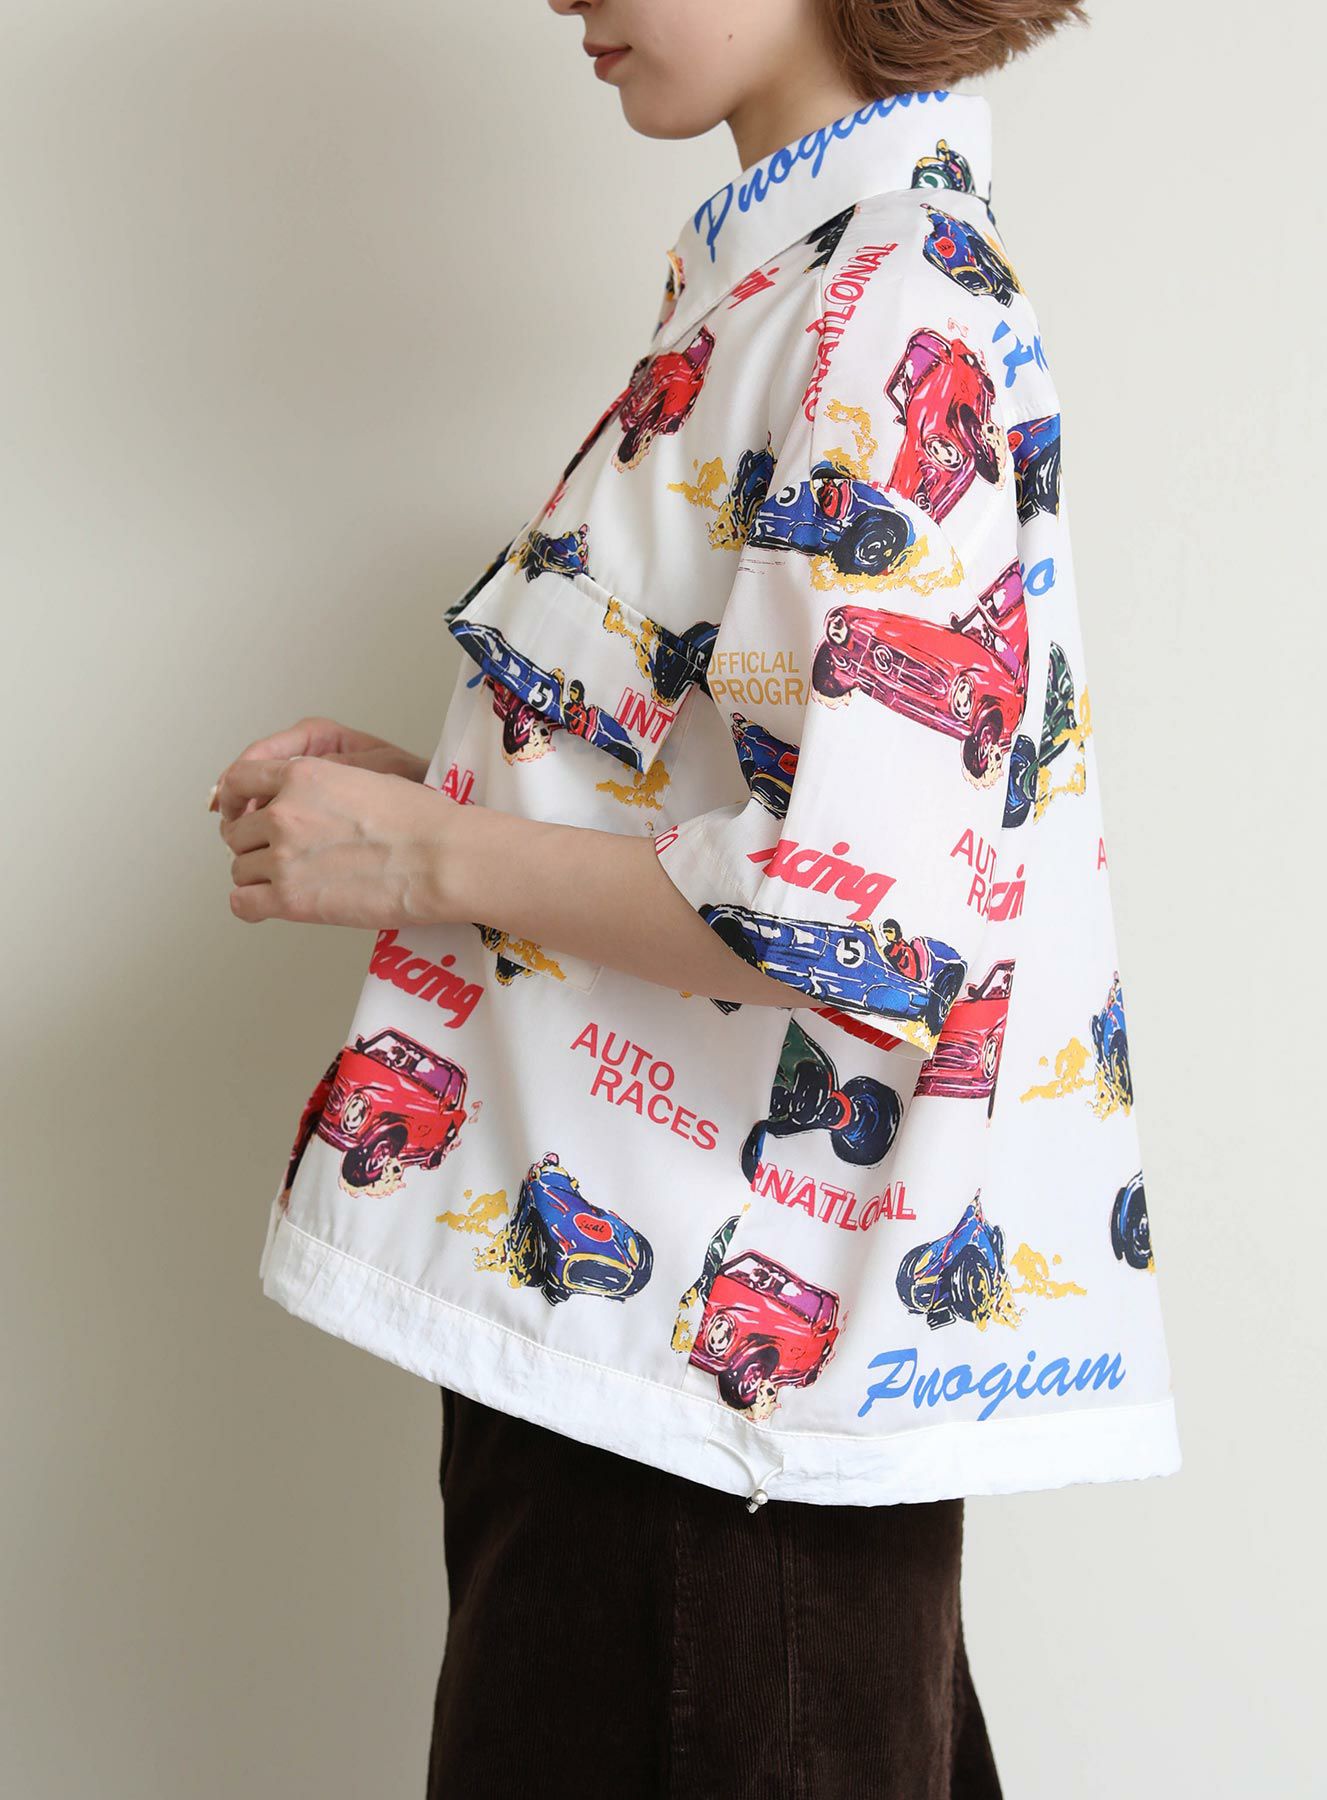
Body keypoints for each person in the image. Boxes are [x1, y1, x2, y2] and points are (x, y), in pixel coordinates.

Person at [211, 3, 1184, 1795]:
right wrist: (444, 792)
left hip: (701, 1439)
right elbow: (762, 807)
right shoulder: (799, 280)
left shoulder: (883, 299)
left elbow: (870, 913)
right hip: (663, 1386)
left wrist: (423, 858)